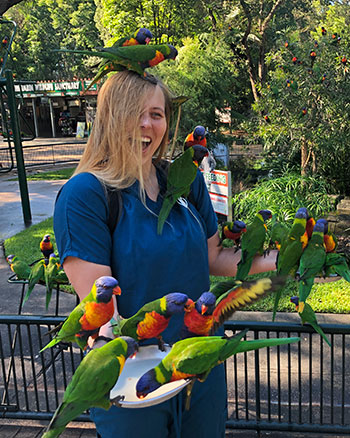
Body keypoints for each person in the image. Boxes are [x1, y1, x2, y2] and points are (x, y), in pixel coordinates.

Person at [54, 69, 277, 438]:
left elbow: (215, 257)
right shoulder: (86, 195)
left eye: (156, 114)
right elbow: (99, 306)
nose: (146, 125)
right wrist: (109, 345)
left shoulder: (185, 180)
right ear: (109, 117)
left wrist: (280, 259)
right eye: (133, 112)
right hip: (133, 377)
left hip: (200, 364)